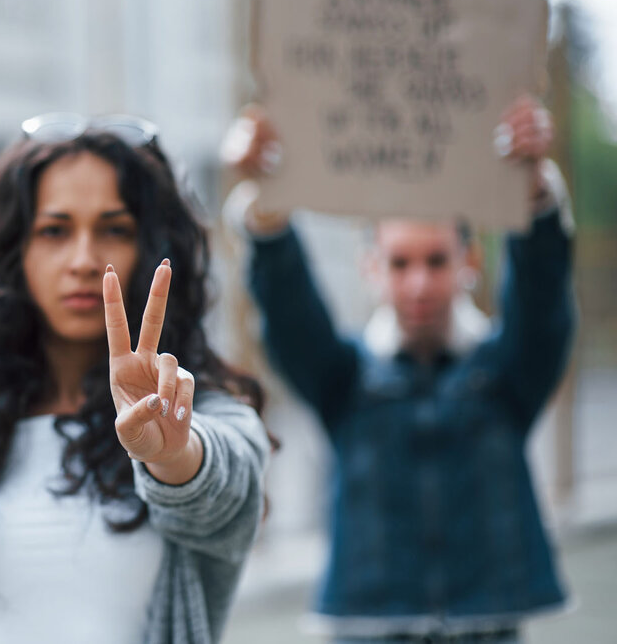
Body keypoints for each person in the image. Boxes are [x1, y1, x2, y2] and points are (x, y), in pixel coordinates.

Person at [0, 117, 272, 644]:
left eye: (113, 229)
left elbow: (226, 487)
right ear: (13, 251)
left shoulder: (198, 414)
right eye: (54, 231)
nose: (82, 259)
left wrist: (171, 456)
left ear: (151, 248)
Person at [225, 95, 575, 643]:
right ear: (371, 268)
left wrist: (532, 189)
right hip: (368, 626)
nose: (418, 283)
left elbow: (542, 296)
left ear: (469, 263)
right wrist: (266, 203)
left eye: (436, 260)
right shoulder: (343, 377)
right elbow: (289, 310)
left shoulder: (506, 375)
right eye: (399, 262)